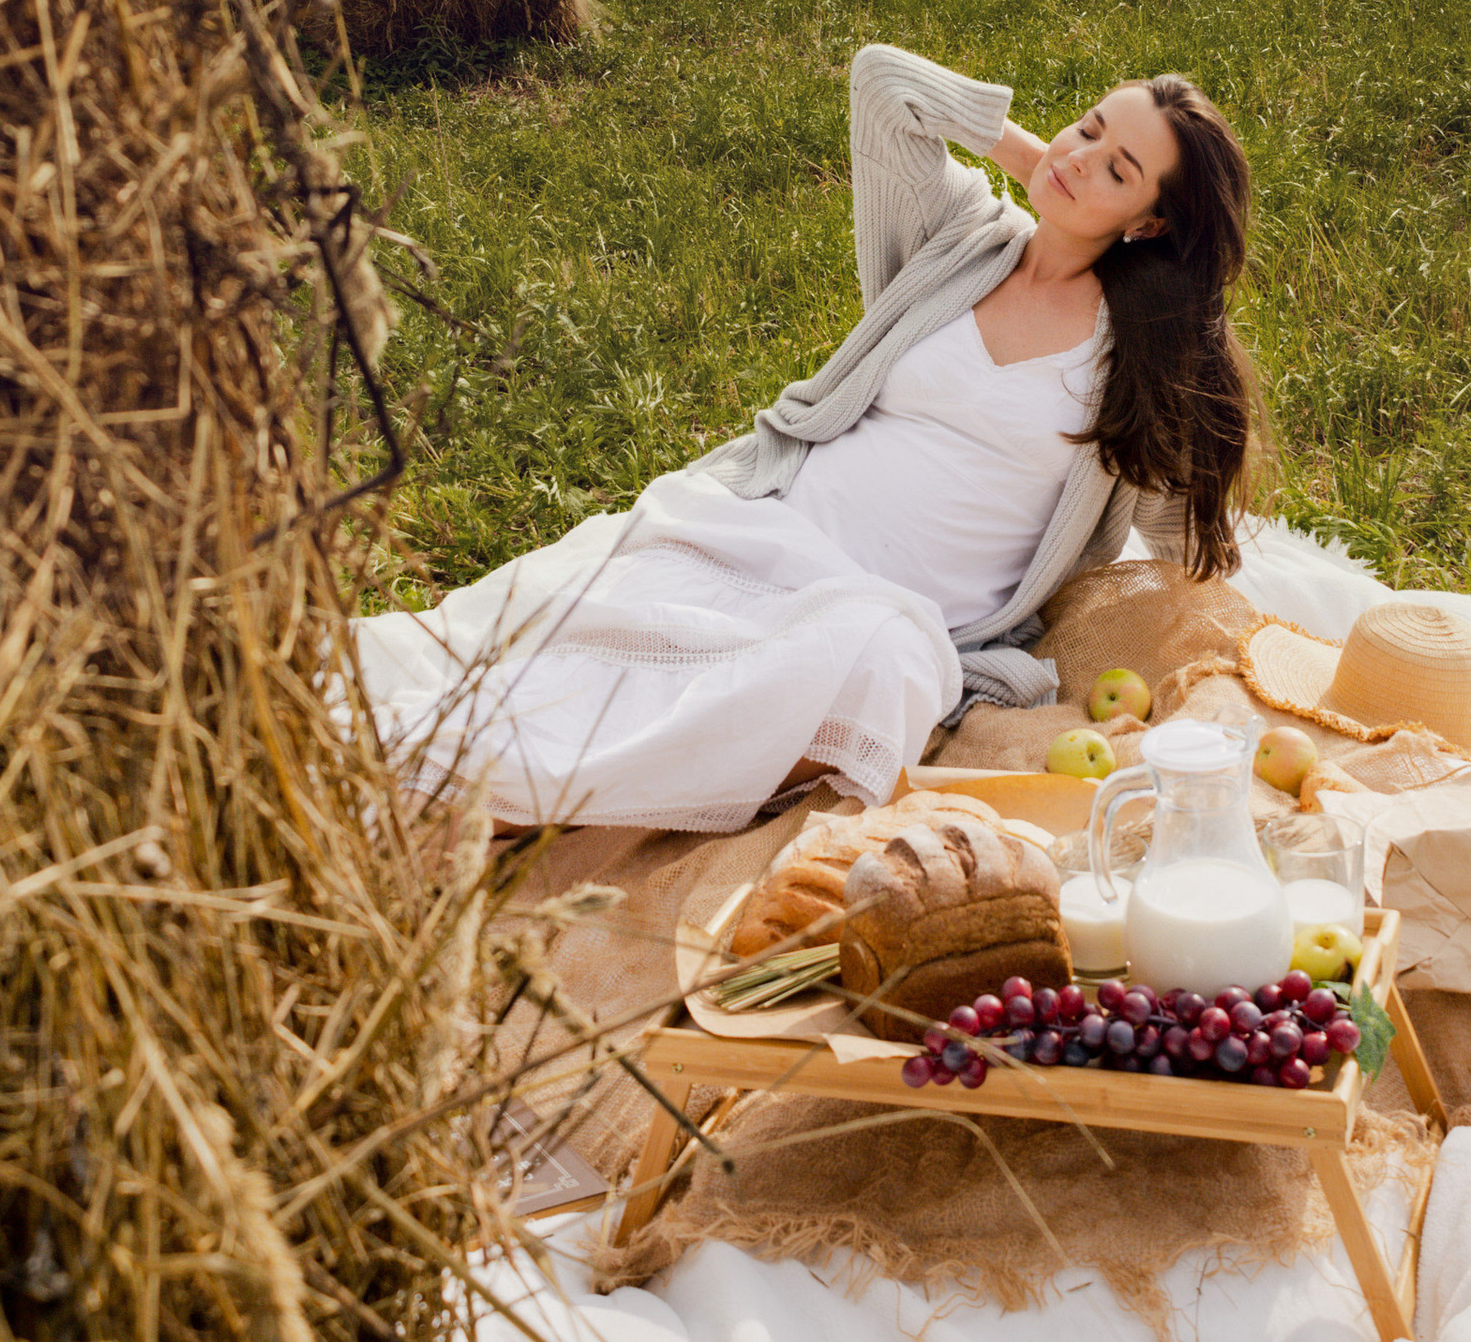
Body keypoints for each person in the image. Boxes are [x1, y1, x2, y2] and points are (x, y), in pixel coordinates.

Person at [359, 44, 1256, 833]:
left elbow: (1186, 532)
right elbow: (882, 83)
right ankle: (446, 790)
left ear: (1149, 223)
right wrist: (1043, 166)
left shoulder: (1143, 351)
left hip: (888, 610)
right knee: (567, 644)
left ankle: (520, 801)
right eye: (1088, 127)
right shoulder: (964, 234)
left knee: (877, 669)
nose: (1082, 155)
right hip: (771, 528)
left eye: (1118, 169)